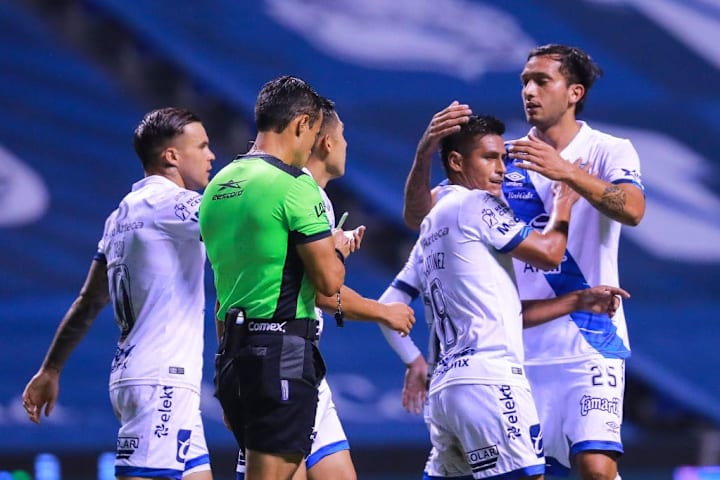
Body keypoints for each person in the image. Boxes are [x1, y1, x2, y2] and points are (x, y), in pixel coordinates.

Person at [403, 44, 646, 480]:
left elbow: (632, 209)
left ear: (574, 93)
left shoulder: (609, 150)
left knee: (596, 467)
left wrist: (567, 172)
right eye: (524, 82)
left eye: (541, 81)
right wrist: (424, 153)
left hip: (588, 344)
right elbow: (422, 215)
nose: (529, 91)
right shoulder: (504, 159)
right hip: (519, 348)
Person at [21, 107, 217, 480]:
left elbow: (89, 301)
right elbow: (238, 216)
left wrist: (51, 369)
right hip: (162, 381)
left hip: (143, 376)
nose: (211, 155)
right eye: (203, 146)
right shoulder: (173, 204)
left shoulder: (120, 216)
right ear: (171, 156)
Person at [231, 98, 415, 480]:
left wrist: (332, 249)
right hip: (278, 360)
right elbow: (322, 291)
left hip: (301, 364)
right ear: (327, 143)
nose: (347, 143)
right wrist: (384, 311)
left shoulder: (314, 199)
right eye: (343, 135)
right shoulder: (299, 193)